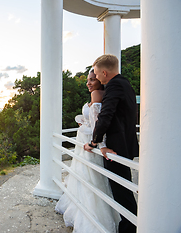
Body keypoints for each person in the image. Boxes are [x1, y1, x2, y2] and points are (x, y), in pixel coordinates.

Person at [55, 68, 120, 233]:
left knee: (89, 177)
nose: (89, 83)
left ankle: (91, 220)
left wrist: (98, 143)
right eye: (88, 80)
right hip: (82, 142)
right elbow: (93, 120)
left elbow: (99, 124)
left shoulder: (97, 94)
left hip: (88, 144)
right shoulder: (100, 94)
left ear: (99, 80)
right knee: (86, 175)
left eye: (92, 79)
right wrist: (83, 121)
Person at [84, 54, 139, 233]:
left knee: (121, 191)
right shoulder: (125, 83)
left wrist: (94, 142)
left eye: (98, 74)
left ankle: (129, 228)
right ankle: (129, 225)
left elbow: (106, 116)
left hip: (116, 147)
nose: (97, 78)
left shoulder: (114, 86)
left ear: (105, 73)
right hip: (126, 143)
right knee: (124, 188)